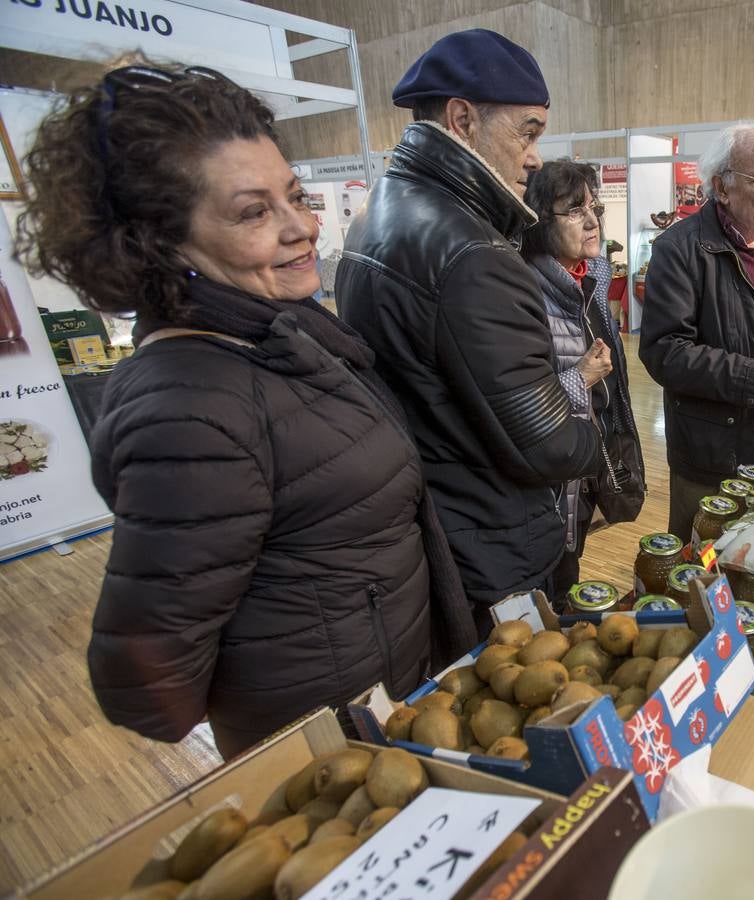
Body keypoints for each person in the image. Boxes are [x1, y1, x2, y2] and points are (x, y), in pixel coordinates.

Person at [13, 62, 477, 759]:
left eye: (294, 197)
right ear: (161, 242)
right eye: (253, 212)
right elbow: (147, 682)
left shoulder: (278, 334)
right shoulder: (190, 409)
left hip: (397, 703)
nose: (301, 228)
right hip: (335, 745)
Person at [337, 30, 600, 618]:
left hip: (433, 530)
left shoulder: (378, 211)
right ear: (462, 119)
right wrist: (592, 438)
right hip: (492, 547)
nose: (534, 157)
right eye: (527, 132)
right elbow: (549, 445)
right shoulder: (473, 252)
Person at [639, 124, 754, 541]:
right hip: (717, 447)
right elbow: (665, 352)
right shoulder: (680, 249)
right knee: (702, 554)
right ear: (721, 187)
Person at [522, 160, 645, 597]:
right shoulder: (525, 293)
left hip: (586, 466)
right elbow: (517, 407)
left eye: (594, 207)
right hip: (549, 488)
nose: (592, 221)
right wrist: (581, 376)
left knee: (569, 574)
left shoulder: (589, 277)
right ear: (537, 219)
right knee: (552, 587)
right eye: (575, 210)